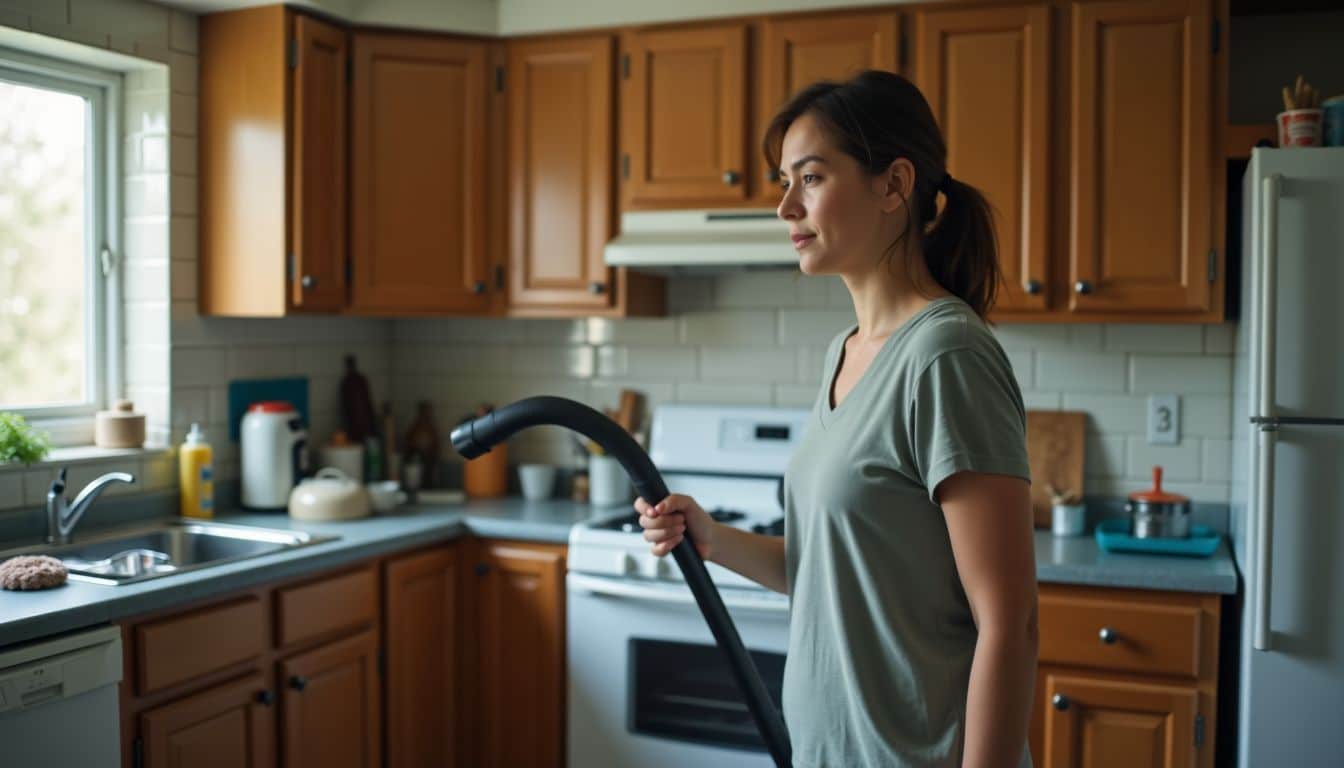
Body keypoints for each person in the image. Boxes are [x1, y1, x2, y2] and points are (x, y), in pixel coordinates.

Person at [635, 70, 1038, 768]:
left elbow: (1010, 622)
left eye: (811, 178)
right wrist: (712, 536)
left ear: (893, 185)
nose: (786, 207)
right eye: (783, 182)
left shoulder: (945, 355)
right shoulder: (842, 354)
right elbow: (834, 571)